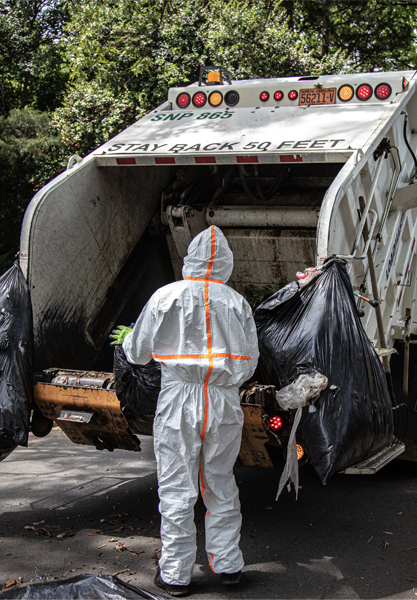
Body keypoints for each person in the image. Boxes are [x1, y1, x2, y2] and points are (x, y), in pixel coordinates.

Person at [116, 226, 258, 597]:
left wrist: (131, 342)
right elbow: (250, 363)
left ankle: (176, 574)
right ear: (226, 264)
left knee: (178, 486)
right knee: (220, 481)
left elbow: (138, 352)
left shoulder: (166, 296)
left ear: (189, 259)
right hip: (224, 400)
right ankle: (229, 565)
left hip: (179, 397)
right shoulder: (237, 303)